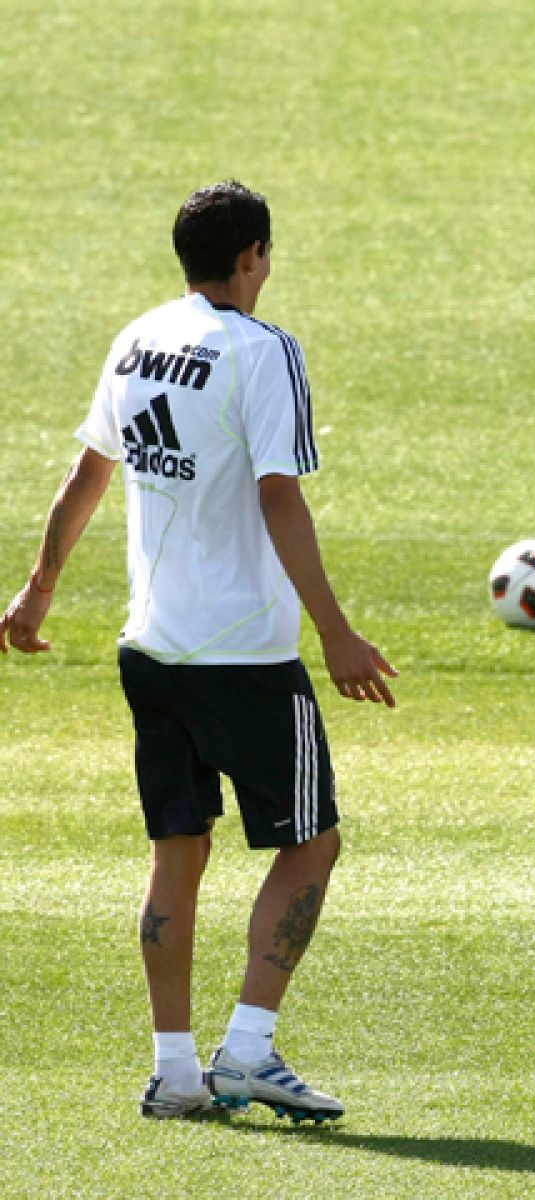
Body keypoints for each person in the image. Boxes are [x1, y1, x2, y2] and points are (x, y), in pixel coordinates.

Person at [0, 181, 397, 1123]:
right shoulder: (264, 352)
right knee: (311, 844)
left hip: (152, 647)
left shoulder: (138, 339)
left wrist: (35, 592)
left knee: (178, 850)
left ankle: (175, 1071)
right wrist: (335, 631)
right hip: (247, 658)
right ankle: (249, 1052)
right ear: (253, 255)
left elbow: (85, 474)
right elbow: (279, 495)